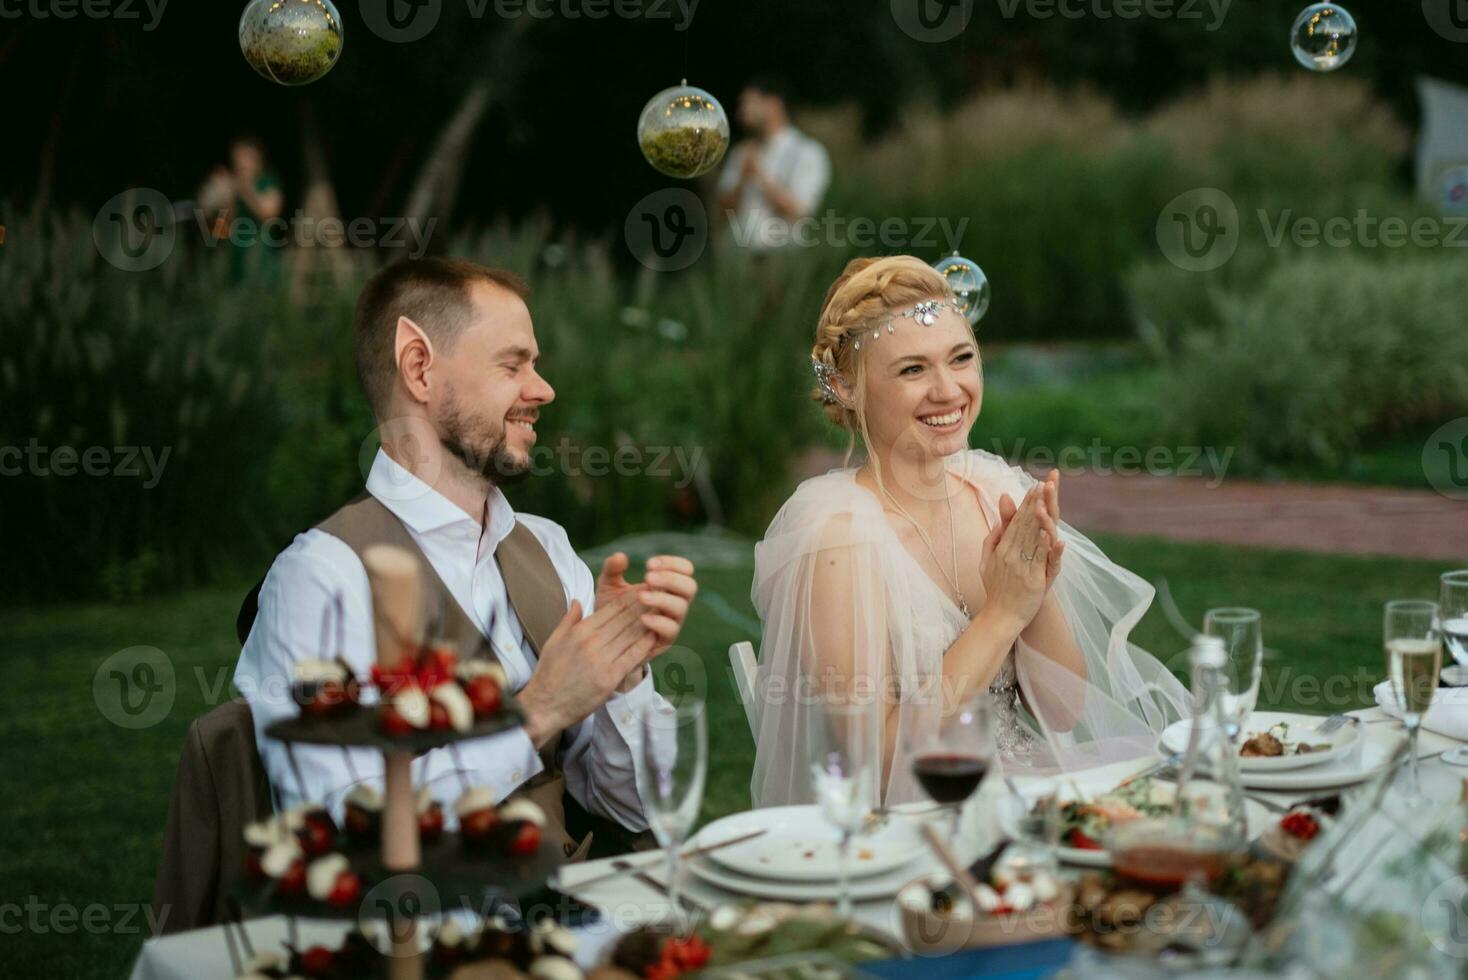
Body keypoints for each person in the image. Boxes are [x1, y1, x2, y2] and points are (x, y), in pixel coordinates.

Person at [234, 258, 699, 856]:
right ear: (420, 368)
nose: (543, 389)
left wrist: (621, 673)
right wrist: (538, 710)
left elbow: (637, 810)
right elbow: (344, 836)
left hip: (583, 916)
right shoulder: (321, 579)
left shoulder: (548, 548)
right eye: (513, 365)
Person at [749, 256, 1189, 807]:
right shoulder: (836, 538)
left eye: (961, 359)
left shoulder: (991, 490)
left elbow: (1062, 710)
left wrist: (1034, 594)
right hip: (912, 827)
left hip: (1025, 792)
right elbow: (879, 767)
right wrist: (1001, 613)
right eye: (912, 370)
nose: (947, 390)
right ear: (847, 387)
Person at [715, 76, 831, 252]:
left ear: (773, 104)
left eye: (748, 103)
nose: (741, 112)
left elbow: (799, 212)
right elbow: (722, 211)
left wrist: (760, 174)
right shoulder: (741, 152)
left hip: (780, 256)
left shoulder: (807, 151)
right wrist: (743, 180)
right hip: (739, 256)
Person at [197, 135, 284, 278]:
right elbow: (223, 227)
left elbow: (269, 214)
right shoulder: (232, 185)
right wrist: (225, 195)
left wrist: (245, 189)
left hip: (262, 256)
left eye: (247, 158)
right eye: (238, 158)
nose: (242, 164)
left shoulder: (268, 181)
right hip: (235, 258)